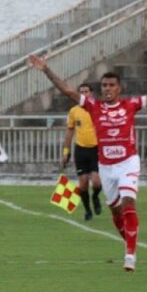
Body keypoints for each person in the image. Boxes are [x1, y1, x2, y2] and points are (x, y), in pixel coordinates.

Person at [28, 55, 147, 272]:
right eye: (104, 85)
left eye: (112, 85)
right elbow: (67, 90)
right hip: (106, 166)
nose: (107, 89)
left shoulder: (131, 105)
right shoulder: (93, 106)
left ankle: (130, 255)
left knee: (129, 203)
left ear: (119, 88)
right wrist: (46, 69)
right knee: (115, 212)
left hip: (128, 162)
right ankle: (128, 241)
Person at [62, 82, 103, 221]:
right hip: (81, 150)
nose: (84, 94)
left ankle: (95, 197)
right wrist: (65, 151)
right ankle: (87, 210)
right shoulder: (74, 111)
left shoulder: (98, 108)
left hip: (96, 149)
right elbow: (70, 131)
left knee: (96, 182)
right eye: (81, 92)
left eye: (86, 91)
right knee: (83, 183)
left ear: (91, 93)